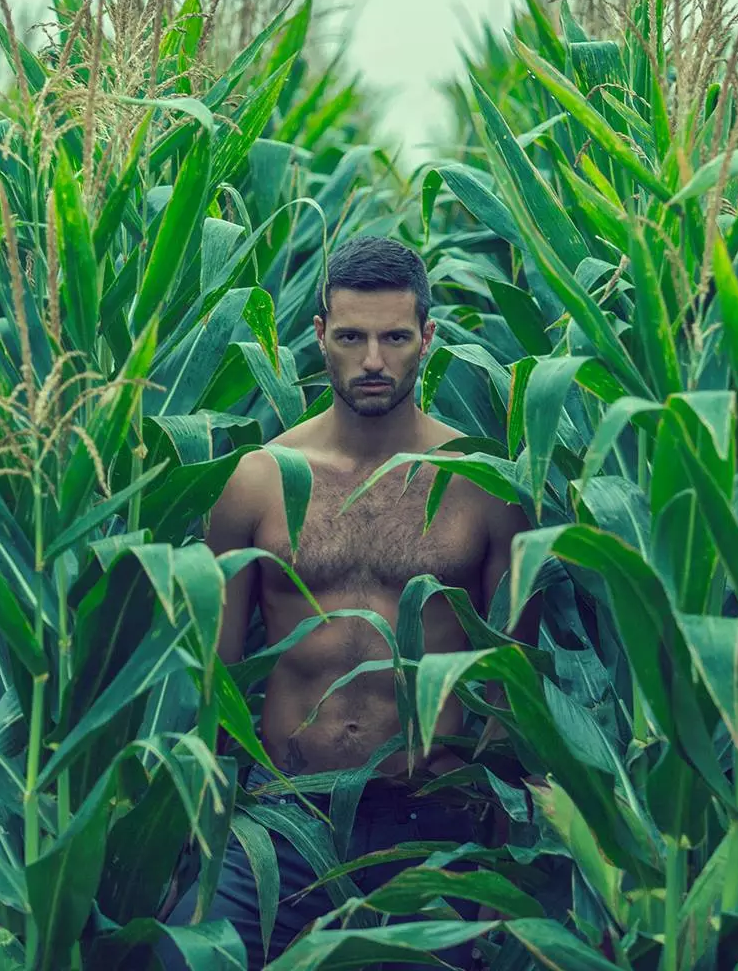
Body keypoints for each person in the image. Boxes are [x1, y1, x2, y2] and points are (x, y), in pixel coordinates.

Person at [157, 235, 534, 971]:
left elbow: (511, 690)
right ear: (319, 334)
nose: (373, 361)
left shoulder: (484, 487)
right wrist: (197, 839)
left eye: (395, 337)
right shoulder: (258, 481)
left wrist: (500, 860)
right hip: (282, 819)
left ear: (427, 338)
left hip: (430, 825)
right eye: (352, 336)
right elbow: (216, 684)